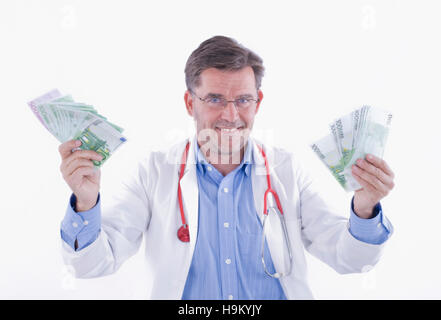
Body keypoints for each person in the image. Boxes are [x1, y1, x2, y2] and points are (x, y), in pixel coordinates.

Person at [58, 35, 394, 300]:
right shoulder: (155, 172)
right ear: (190, 102)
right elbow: (92, 265)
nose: (231, 116)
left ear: (258, 102)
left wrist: (364, 209)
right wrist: (86, 203)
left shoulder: (287, 170)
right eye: (215, 99)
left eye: (243, 100)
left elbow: (351, 260)